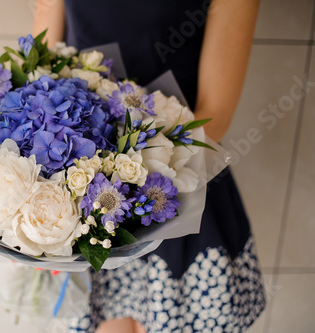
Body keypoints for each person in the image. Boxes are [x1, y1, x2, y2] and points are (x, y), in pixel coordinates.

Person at [33, 0, 265, 332]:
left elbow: (214, 114)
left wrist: (129, 173)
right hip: (79, 183)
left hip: (175, 179)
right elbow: (40, 69)